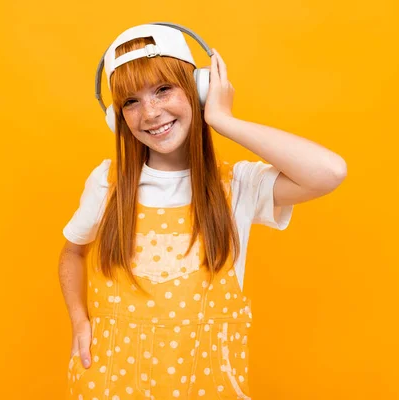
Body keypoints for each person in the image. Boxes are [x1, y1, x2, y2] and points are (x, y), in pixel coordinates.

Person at [58, 23, 346, 399]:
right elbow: (72, 253)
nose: (150, 113)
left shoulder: (239, 187)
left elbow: (330, 172)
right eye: (131, 101)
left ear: (198, 89)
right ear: (119, 118)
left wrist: (224, 121)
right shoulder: (106, 184)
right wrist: (79, 321)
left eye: (163, 89)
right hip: (110, 384)